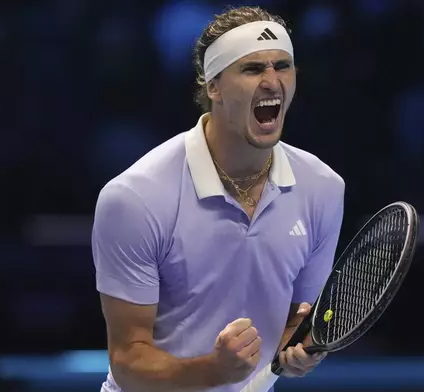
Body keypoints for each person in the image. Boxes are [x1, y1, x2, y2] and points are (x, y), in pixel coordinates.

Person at [91, 5, 345, 392]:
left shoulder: (323, 188)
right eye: (252, 68)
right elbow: (128, 360)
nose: (272, 81)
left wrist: (298, 353)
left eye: (282, 65)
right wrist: (215, 370)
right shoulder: (134, 198)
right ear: (213, 86)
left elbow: (298, 317)